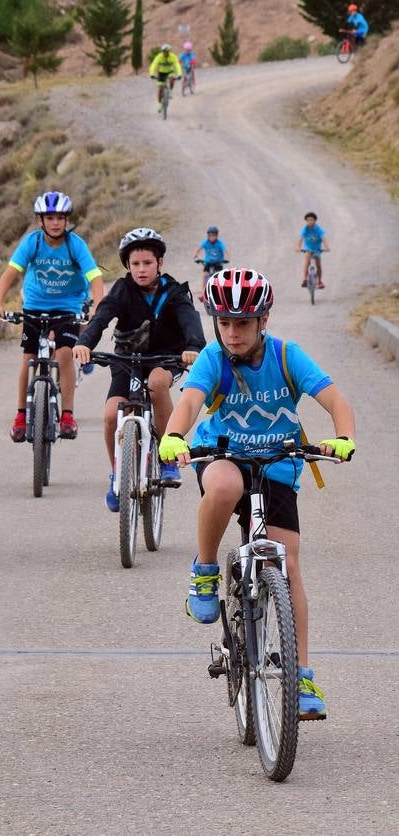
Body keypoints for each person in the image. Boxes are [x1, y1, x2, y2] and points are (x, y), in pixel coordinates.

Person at [158, 268, 356, 719]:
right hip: (222, 454)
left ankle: (301, 676)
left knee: (287, 566)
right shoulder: (213, 358)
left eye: (242, 323)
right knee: (226, 485)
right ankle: (205, 566)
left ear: (262, 319)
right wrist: (173, 436)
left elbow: (335, 399)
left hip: (277, 464)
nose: (232, 332)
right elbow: (189, 402)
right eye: (224, 322)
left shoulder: (288, 356)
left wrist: (343, 436)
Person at [72, 228, 206, 511]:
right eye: (135, 264)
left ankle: (168, 456)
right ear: (127, 266)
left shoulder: (175, 291)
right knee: (111, 415)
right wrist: (84, 343)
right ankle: (117, 474)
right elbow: (101, 318)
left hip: (165, 358)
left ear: (160, 263)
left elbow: (191, 322)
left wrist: (193, 346)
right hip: (127, 359)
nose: (141, 269)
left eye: (148, 263)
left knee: (157, 385)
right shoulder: (122, 289)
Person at [0, 191, 104, 442]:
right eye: (49, 217)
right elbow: (11, 273)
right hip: (35, 305)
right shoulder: (33, 242)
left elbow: (94, 277)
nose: (55, 222)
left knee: (64, 354)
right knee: (28, 357)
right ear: (41, 220)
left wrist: (96, 305)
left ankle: (67, 416)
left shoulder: (75, 245)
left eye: (60, 217)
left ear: (67, 220)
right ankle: (20, 415)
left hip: (68, 307)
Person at [193, 225, 228, 298]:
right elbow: (198, 249)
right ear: (208, 235)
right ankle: (203, 293)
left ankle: (223, 293)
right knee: (204, 275)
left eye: (213, 235)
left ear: (217, 235)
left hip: (218, 263)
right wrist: (195, 256)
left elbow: (226, 250)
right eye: (210, 235)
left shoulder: (219, 243)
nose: (212, 237)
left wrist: (227, 257)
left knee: (221, 277)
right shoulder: (205, 242)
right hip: (208, 263)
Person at [296, 212, 330, 288]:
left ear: (315, 221)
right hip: (308, 248)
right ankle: (305, 279)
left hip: (317, 248)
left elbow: (323, 239)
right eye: (308, 220)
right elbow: (300, 239)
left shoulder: (318, 229)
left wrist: (326, 247)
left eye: (311, 220)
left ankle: (320, 281)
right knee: (307, 262)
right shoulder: (305, 229)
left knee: (318, 265)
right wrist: (298, 247)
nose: (310, 221)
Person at [149, 44, 182, 113]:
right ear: (162, 51)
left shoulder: (173, 56)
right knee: (160, 88)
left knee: (172, 77)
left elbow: (177, 65)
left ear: (169, 51)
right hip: (161, 73)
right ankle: (159, 104)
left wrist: (179, 74)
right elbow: (154, 64)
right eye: (164, 51)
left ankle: (171, 91)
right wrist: (151, 73)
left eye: (167, 51)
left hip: (170, 71)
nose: (166, 53)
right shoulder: (159, 57)